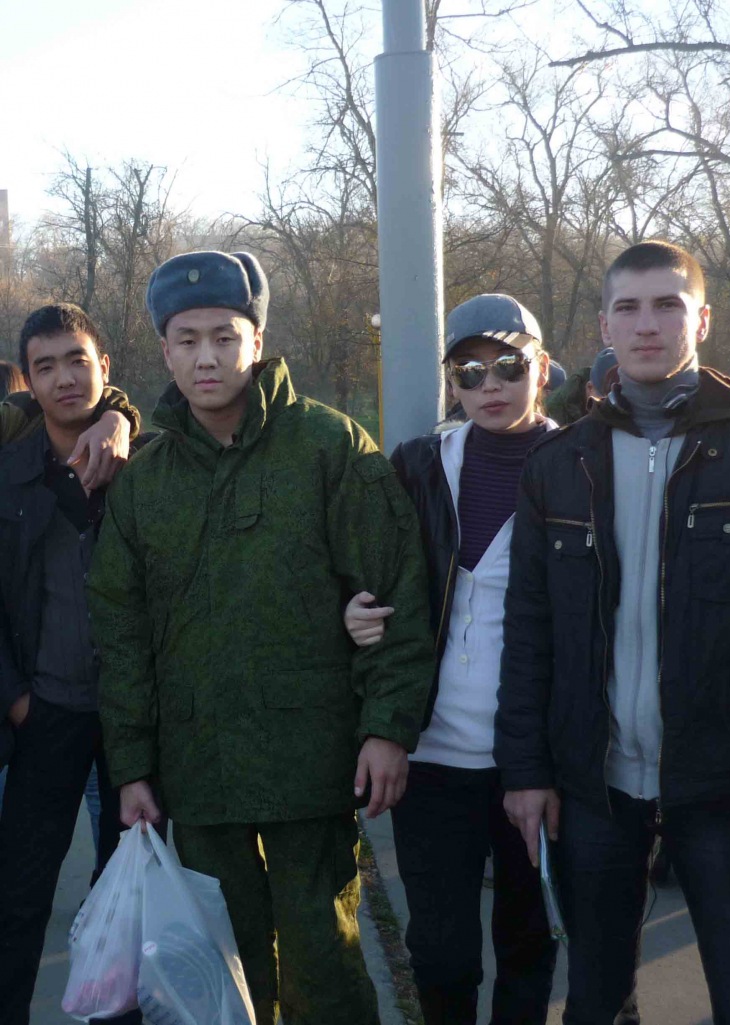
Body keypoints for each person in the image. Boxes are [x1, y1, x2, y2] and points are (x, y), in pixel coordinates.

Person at [86, 250, 435, 1025]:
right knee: (223, 977)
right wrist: (132, 766)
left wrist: (386, 728)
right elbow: (122, 630)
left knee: (323, 965)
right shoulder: (146, 479)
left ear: (257, 339)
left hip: (309, 766)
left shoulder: (328, 447)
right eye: (186, 340)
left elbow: (395, 594)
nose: (205, 357)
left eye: (224, 336)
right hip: (198, 773)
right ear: (164, 349)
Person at [498, 241, 730, 1025]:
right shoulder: (558, 462)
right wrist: (525, 770)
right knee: (596, 1002)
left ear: (699, 320)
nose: (647, 325)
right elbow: (528, 631)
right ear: (603, 325)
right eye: (628, 308)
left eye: (667, 305)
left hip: (720, 786)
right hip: (595, 788)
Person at [346, 293, 558, 1025]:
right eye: (468, 372)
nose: (489, 384)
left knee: (528, 942)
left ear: (542, 368)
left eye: (508, 366)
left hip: (537, 759)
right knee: (440, 953)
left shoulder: (580, 466)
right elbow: (368, 572)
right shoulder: (418, 464)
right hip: (433, 755)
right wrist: (350, 609)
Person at [0, 303, 143, 1025]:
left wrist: (122, 422)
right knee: (19, 896)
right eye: (46, 366)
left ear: (103, 367)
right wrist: (15, 697)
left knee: (127, 894)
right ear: (28, 381)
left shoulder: (146, 467)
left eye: (77, 360)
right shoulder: (9, 474)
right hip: (45, 711)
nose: (64, 378)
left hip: (134, 720)